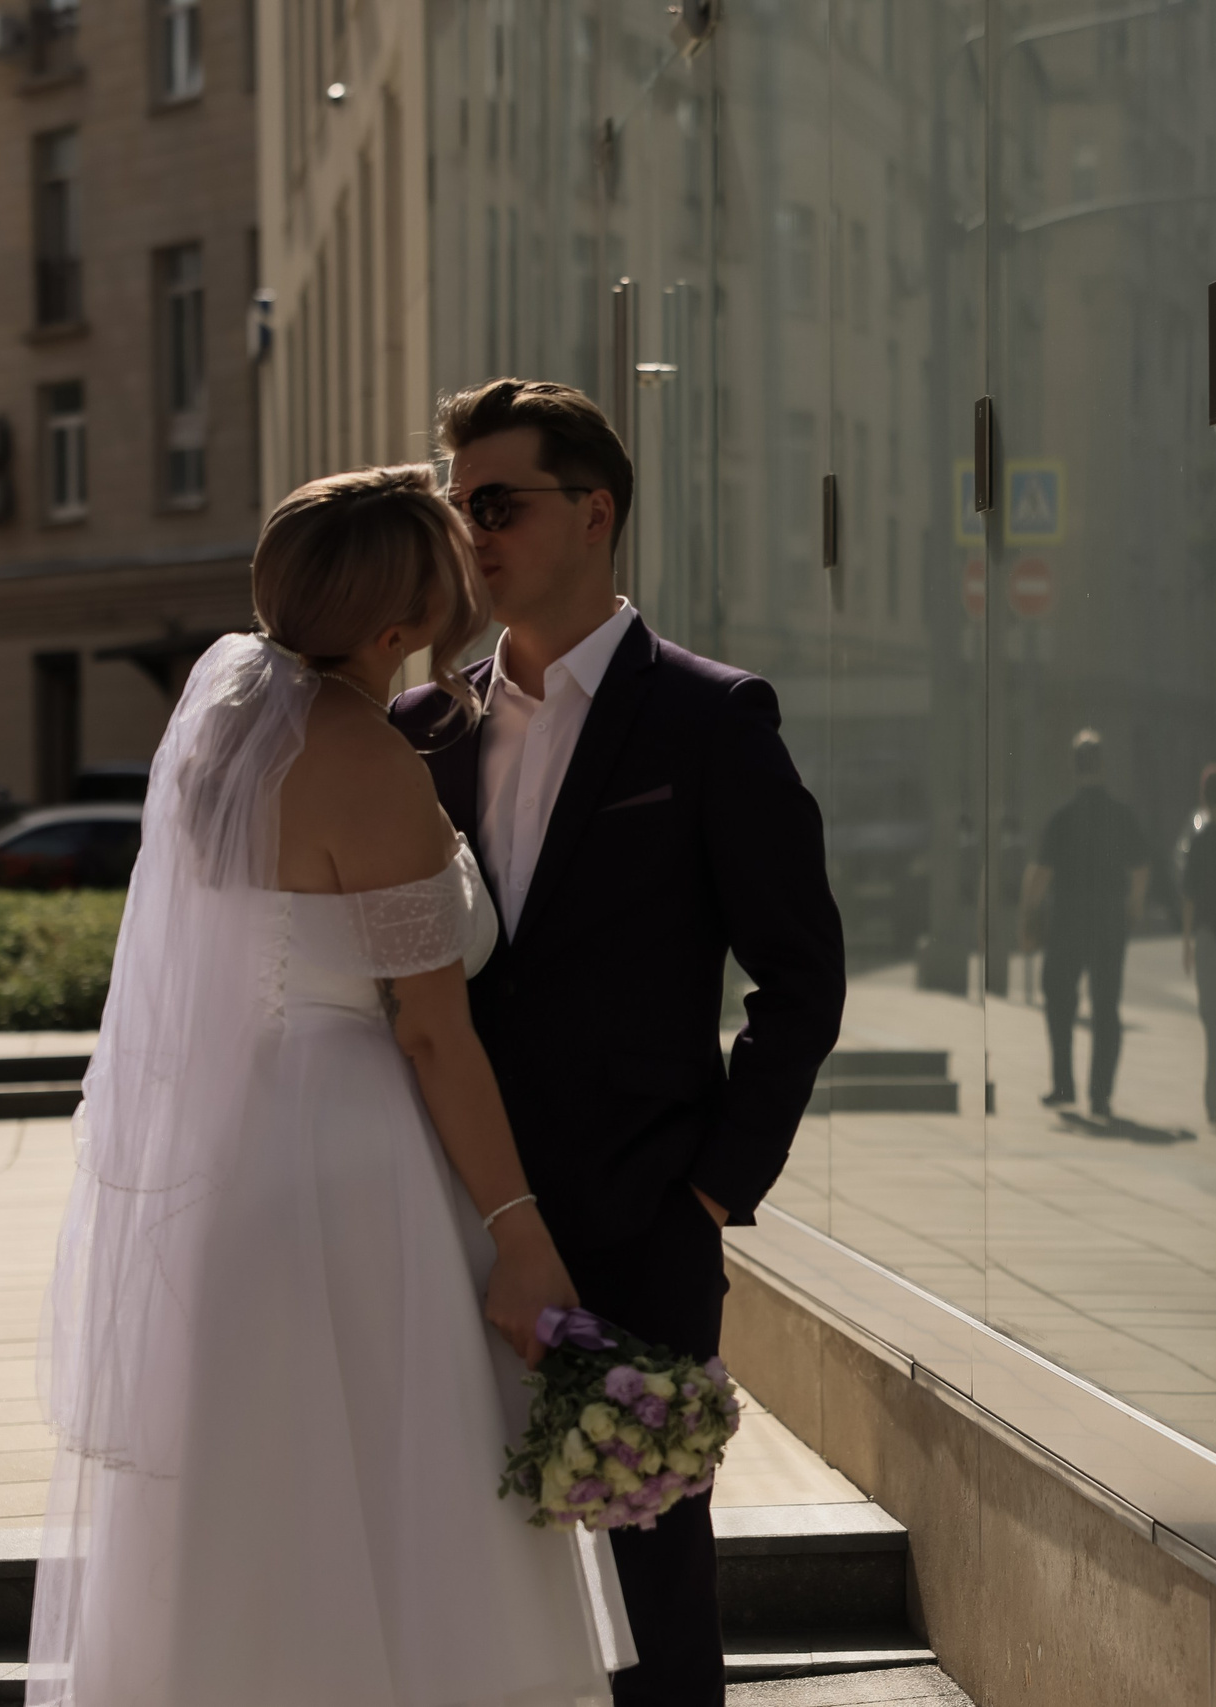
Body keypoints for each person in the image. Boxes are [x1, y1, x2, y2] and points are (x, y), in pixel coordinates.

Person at [29, 467, 632, 1707]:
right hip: (356, 1162)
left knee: (259, 1487)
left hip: (238, 1159)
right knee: (397, 1477)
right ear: (400, 624)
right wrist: (521, 1236)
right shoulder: (362, 759)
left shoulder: (222, 738)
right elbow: (432, 1034)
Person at [393, 379, 845, 1707]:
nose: (472, 534)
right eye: (457, 507)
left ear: (594, 512)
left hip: (640, 1217)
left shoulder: (710, 719)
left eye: (497, 504)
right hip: (443, 1214)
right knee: (464, 1569)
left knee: (653, 1604)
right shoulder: (421, 730)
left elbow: (802, 978)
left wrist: (707, 1191)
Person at [1021, 729, 1148, 1117]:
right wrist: (1133, 909)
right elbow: (1140, 869)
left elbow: (1041, 875)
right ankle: (1100, 1094)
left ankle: (1064, 1085)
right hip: (1109, 918)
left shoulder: (1062, 818)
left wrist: (1029, 917)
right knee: (1106, 1007)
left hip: (1068, 919)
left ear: (1074, 768)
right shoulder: (1121, 815)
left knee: (1059, 999)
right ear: (1103, 766)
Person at [1179, 764, 1216, 1133]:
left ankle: (1215, 1099)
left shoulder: (1199, 841)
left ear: (1202, 796)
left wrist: (1186, 941)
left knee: (1212, 1021)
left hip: (1206, 936)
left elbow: (1189, 897)